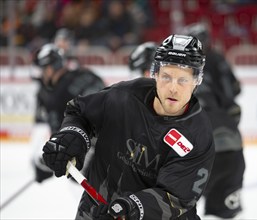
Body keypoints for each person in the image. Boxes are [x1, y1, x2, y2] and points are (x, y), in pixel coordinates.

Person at [41, 34, 215, 220]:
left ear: (197, 81)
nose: (173, 88)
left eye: (183, 80)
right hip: (96, 211)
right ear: (154, 74)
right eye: (166, 77)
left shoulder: (198, 136)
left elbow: (176, 198)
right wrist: (71, 137)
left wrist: (129, 208)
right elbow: (80, 112)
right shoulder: (124, 96)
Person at [182, 22, 246, 219]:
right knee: (222, 211)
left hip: (197, 147)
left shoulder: (186, 68)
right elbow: (232, 93)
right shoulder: (214, 59)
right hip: (228, 142)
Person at [32, 43, 105, 183]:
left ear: (49, 68)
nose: (42, 74)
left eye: (43, 69)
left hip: (95, 146)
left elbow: (60, 139)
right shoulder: (87, 74)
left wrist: (46, 164)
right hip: (120, 134)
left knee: (76, 177)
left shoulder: (55, 96)